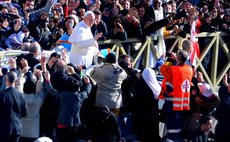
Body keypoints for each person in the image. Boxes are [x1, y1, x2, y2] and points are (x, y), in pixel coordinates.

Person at [160, 50, 193, 141]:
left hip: (172, 104)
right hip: (182, 104)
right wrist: (176, 60)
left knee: (172, 130)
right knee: (178, 128)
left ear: (178, 58)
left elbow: (162, 69)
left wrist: (170, 59)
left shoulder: (174, 69)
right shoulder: (189, 69)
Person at [0, 58, 28, 142]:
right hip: (17, 128)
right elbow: (25, 112)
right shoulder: (21, 95)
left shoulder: (2, 95)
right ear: (15, 81)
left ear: (6, 80)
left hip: (3, 129)